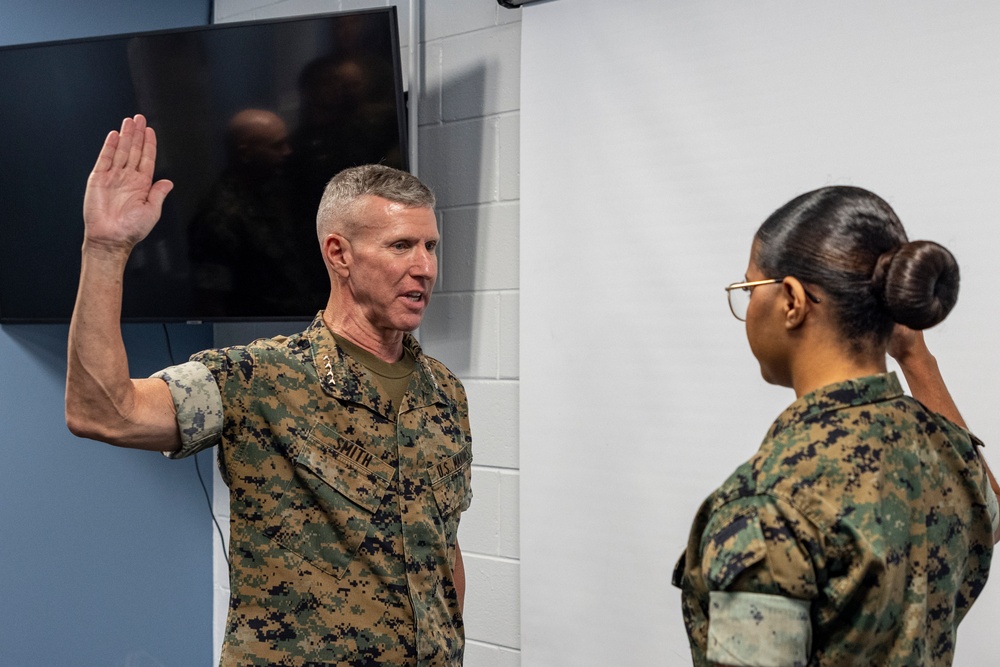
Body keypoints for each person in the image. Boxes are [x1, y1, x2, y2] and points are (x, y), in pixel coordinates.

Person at [65, 115, 473, 666]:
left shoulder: (443, 393)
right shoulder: (258, 378)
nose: (425, 267)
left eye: (430, 246)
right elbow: (103, 413)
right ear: (339, 254)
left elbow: (443, 550)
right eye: (402, 246)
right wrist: (106, 248)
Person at [672, 186, 999, 666]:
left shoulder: (768, 506)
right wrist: (914, 354)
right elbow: (987, 513)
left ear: (792, 300)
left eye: (748, 290)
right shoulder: (938, 447)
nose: (745, 310)